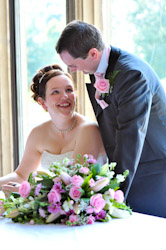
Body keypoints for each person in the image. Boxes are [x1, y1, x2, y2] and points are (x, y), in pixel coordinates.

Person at [55, 20, 166, 218]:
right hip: (132, 167)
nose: (71, 71)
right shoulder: (103, 67)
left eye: (73, 65)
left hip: (150, 170)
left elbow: (131, 134)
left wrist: (115, 189)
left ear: (93, 54)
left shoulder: (132, 74)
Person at [0, 64, 106, 195]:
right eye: (55, 92)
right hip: (58, 205)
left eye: (69, 90)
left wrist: (30, 191)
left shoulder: (88, 130)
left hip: (87, 207)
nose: (65, 96)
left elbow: (74, 183)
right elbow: (21, 176)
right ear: (43, 102)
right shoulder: (38, 133)